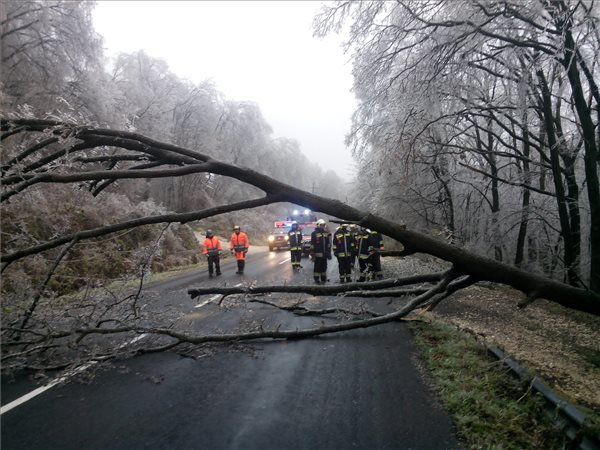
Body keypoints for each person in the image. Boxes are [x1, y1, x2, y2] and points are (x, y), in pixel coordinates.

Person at [310, 219, 331, 284]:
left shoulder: (325, 233)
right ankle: (316, 279)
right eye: (321, 225)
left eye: (323, 225)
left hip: (324, 254)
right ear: (318, 225)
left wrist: (329, 253)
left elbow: (328, 244)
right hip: (317, 254)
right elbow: (312, 244)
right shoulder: (314, 233)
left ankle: (323, 278)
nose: (323, 226)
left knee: (324, 267)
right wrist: (312, 253)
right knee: (317, 267)